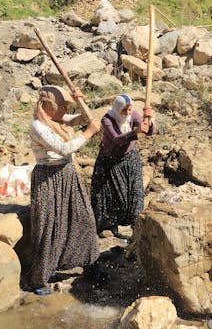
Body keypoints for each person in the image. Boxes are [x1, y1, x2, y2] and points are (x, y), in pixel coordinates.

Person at [29, 85, 100, 295]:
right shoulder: (39, 126)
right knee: (49, 227)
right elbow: (63, 148)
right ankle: (40, 279)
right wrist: (88, 133)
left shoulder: (57, 120)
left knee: (84, 218)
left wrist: (80, 101)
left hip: (68, 175)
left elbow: (82, 119)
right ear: (49, 107)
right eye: (62, 106)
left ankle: (90, 265)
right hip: (48, 179)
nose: (64, 111)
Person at [90, 94, 154, 236]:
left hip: (129, 159)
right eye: (124, 110)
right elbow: (118, 139)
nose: (128, 113)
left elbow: (149, 132)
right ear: (118, 109)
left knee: (134, 192)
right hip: (110, 161)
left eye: (130, 109)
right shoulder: (107, 120)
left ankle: (133, 223)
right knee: (110, 195)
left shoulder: (133, 115)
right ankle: (108, 226)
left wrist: (149, 122)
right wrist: (136, 131)